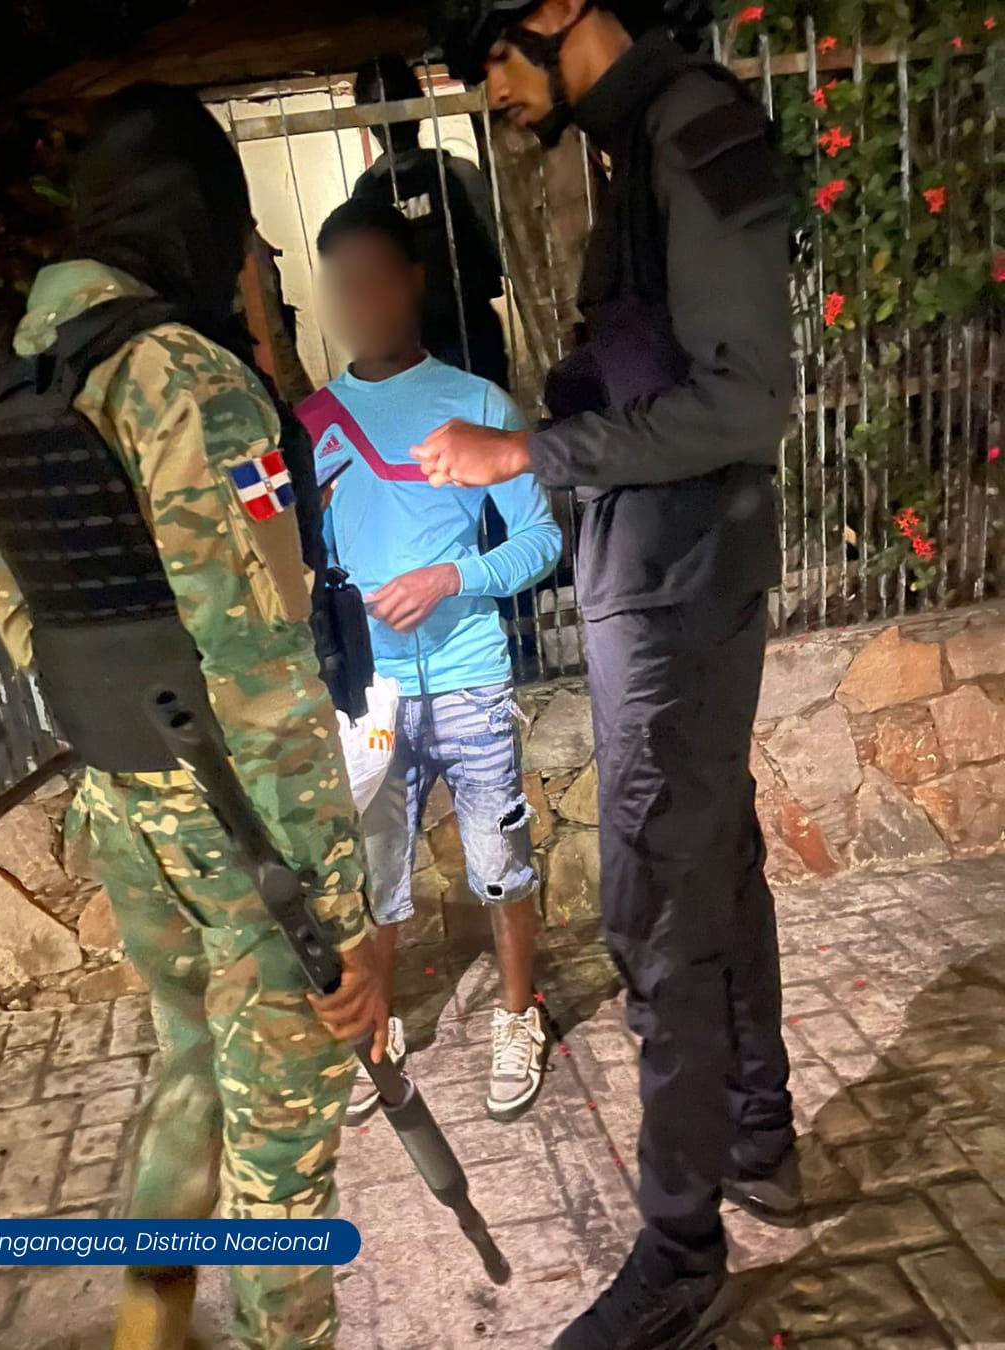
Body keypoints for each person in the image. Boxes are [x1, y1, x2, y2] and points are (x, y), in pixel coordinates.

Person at [0, 83, 388, 1350]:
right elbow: (265, 671)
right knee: (282, 1166)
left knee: (191, 1068)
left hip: (121, 800)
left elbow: (22, 628)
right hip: (242, 824)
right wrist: (346, 921)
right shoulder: (181, 377)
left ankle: (151, 1331)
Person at [417, 5, 799, 1348]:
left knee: (657, 910)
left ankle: (681, 1248)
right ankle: (758, 1138)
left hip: (682, 580)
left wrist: (531, 452)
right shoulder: (641, 140)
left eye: (487, 52)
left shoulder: (692, 131)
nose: (485, 87)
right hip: (660, 571)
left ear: (560, 6)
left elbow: (745, 400)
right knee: (714, 860)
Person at [296, 197, 562, 1124]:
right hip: (365, 696)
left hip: (471, 679)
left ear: (413, 281)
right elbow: (295, 563)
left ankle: (518, 1015)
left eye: (376, 278)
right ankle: (377, 1034)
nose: (360, 300)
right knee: (376, 881)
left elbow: (540, 541)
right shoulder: (311, 422)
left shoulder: (479, 404)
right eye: (342, 285)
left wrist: (452, 575)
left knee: (501, 863)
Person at [352, 53, 510, 391]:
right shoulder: (454, 174)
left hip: (457, 338)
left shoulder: (370, 191)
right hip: (431, 343)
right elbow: (501, 253)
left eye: (394, 101)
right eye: (380, 105)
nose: (389, 116)